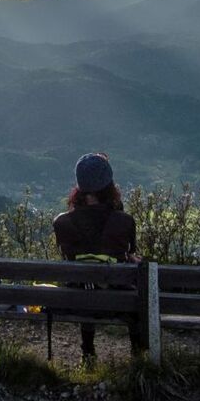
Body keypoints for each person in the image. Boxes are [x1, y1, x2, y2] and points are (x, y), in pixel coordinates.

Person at [52, 152, 142, 363]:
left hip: (77, 301)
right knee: (135, 293)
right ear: (110, 185)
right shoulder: (125, 221)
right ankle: (138, 355)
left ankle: (88, 354)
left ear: (79, 187)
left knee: (86, 278)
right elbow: (130, 255)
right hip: (117, 302)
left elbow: (70, 258)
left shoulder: (62, 223)